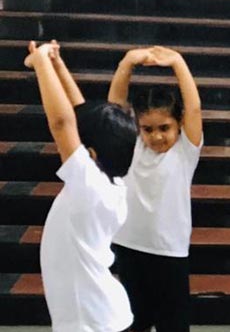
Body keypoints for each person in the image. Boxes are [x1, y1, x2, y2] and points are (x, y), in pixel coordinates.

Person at [25, 40, 136, 331]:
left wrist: (41, 63)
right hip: (100, 315)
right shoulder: (110, 182)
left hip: (91, 321)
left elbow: (62, 123)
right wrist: (58, 65)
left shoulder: (90, 189)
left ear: (91, 155)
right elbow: (80, 114)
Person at [109, 46, 203, 332]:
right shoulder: (132, 146)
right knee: (131, 323)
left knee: (172, 326)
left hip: (169, 254)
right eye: (148, 129)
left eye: (165, 127)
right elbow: (115, 105)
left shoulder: (186, 151)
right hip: (128, 248)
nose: (157, 136)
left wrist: (178, 61)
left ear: (179, 125)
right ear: (138, 127)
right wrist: (127, 63)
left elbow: (195, 107)